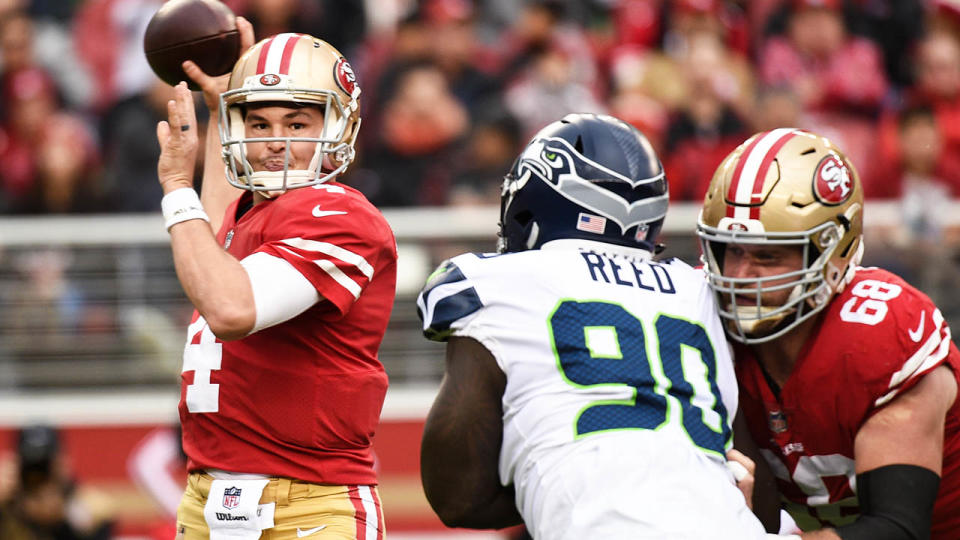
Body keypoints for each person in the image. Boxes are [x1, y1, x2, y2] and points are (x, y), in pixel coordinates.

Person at [417, 113, 773, 539]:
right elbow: (760, 498)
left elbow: (458, 496)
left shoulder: (495, 283)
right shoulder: (699, 290)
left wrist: (559, 474)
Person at [155, 22, 396, 540]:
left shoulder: (339, 214)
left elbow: (232, 307)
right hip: (204, 498)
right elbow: (220, 235)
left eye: (297, 123)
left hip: (307, 503)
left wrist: (177, 188)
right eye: (258, 124)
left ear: (337, 126)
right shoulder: (252, 212)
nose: (275, 143)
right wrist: (222, 105)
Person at [696, 128, 960, 538]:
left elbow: (897, 528)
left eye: (768, 255)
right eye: (731, 249)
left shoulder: (879, 333)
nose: (739, 276)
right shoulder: (702, 312)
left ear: (831, 253)